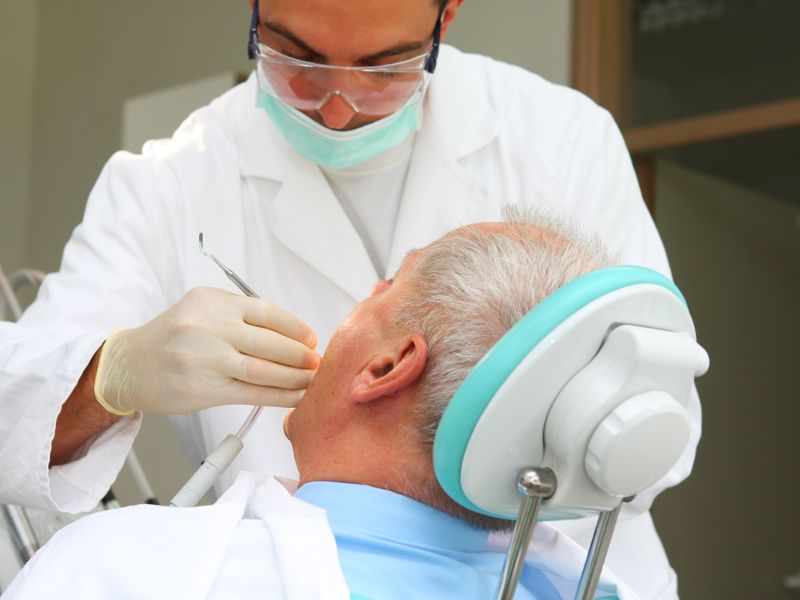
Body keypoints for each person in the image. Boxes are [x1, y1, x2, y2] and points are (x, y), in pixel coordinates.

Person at [0, 0, 699, 596]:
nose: (335, 109)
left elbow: (657, 426)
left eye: (383, 69)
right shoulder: (171, 179)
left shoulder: (561, 138)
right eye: (294, 56)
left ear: (446, 16)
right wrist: (110, 374)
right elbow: (14, 423)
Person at [4, 214, 642, 599]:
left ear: (387, 367)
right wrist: (100, 374)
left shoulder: (122, 572)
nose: (366, 290)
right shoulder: (584, 588)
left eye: (386, 285)